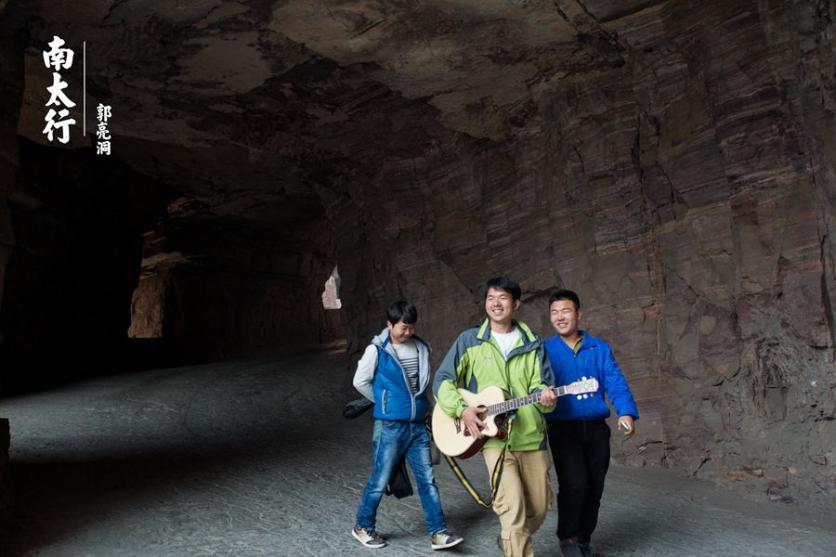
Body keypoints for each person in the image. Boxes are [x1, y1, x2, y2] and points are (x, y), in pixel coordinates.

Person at [433, 277, 556, 557]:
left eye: (502, 298)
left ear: (515, 304)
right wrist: (461, 409)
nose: (496, 303)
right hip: (495, 441)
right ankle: (515, 543)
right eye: (491, 298)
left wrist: (547, 399)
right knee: (511, 509)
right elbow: (442, 380)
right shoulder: (469, 340)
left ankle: (511, 539)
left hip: (531, 437)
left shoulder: (533, 342)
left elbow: (543, 390)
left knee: (537, 509)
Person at [352, 300, 463, 551]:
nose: (408, 332)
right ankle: (363, 526)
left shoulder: (421, 347)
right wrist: (384, 402)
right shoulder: (377, 350)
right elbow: (360, 381)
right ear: (389, 324)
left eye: (411, 327)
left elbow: (423, 383)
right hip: (390, 426)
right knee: (380, 480)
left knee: (428, 480)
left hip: (417, 427)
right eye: (403, 327)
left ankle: (438, 532)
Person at [543, 290, 639, 557]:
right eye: (554, 312)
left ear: (578, 313)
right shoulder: (544, 351)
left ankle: (584, 539)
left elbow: (615, 381)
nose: (560, 317)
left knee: (595, 485)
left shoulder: (598, 347)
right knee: (574, 483)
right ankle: (569, 538)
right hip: (563, 428)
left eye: (565, 311)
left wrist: (626, 412)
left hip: (596, 427)